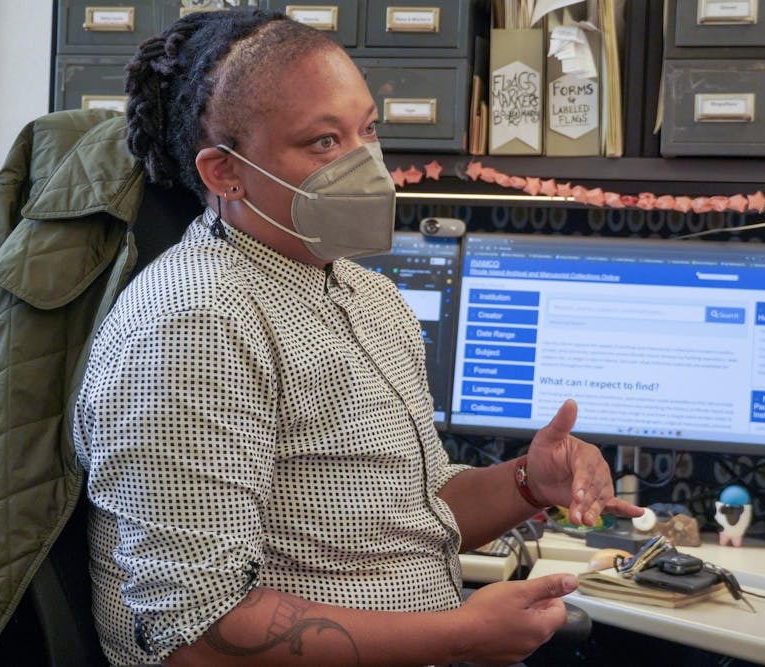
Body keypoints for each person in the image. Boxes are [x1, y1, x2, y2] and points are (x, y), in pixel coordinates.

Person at [73, 8, 642, 667]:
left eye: (366, 131)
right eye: (323, 142)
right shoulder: (193, 319)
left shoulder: (363, 293)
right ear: (225, 173)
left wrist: (527, 482)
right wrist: (460, 632)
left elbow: (412, 508)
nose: (365, 163)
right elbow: (199, 634)